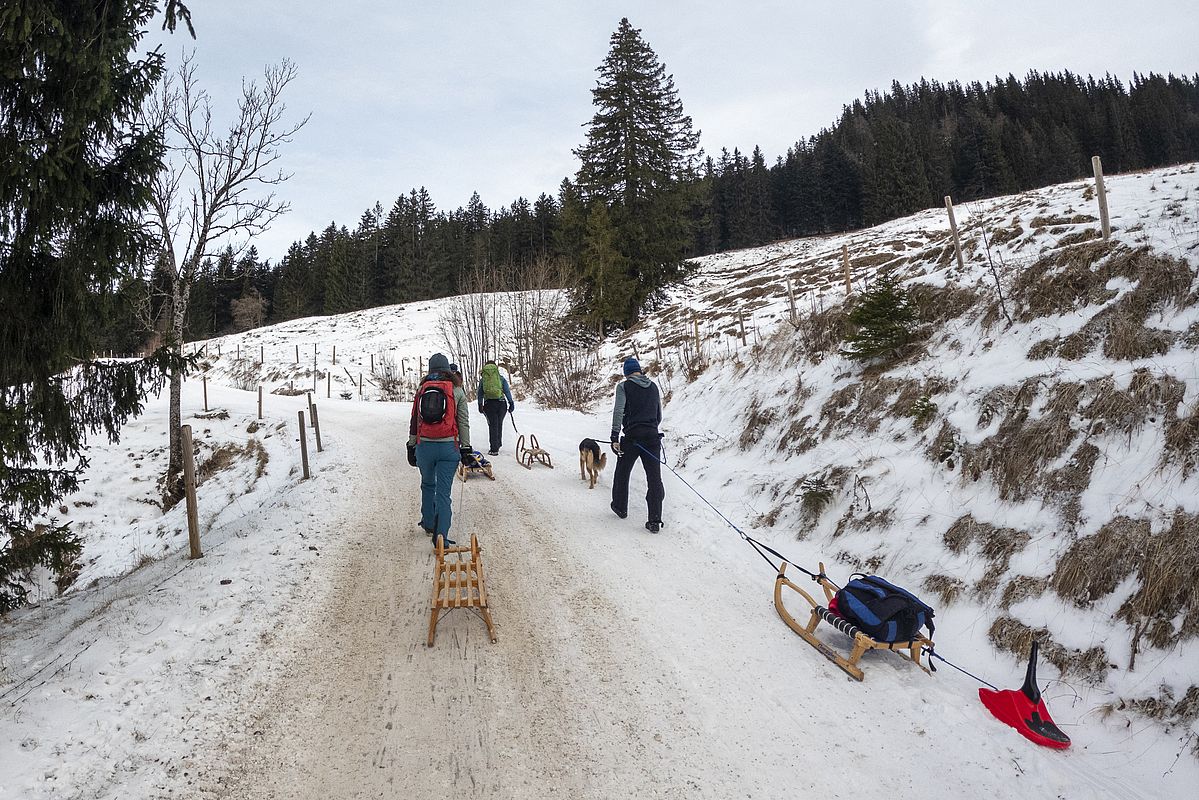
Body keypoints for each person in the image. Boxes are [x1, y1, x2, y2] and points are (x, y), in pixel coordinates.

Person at [407, 353, 473, 548]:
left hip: (424, 446)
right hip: (448, 448)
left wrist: (411, 445)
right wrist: (466, 448)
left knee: (427, 484)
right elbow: (463, 421)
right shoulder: (457, 390)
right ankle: (441, 537)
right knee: (444, 493)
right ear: (447, 370)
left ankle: (428, 523)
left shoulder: (422, 388)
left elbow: (414, 420)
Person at [609, 357, 665, 533]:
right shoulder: (654, 386)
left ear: (626, 373)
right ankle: (655, 520)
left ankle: (620, 507)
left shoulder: (623, 386)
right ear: (639, 371)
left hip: (632, 437)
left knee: (622, 472)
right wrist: (650, 427)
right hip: (652, 437)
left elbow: (619, 410)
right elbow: (658, 415)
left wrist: (614, 436)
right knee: (654, 478)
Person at [477, 360, 515, 456]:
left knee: (492, 425)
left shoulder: (483, 380)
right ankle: (498, 444)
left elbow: (480, 393)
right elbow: (506, 391)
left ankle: (494, 449)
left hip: (489, 404)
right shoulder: (501, 379)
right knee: (499, 423)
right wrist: (511, 403)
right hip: (501, 403)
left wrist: (480, 404)